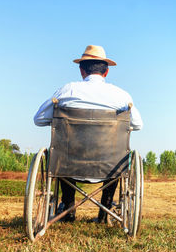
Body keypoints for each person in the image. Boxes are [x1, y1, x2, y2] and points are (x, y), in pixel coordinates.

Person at [34, 45, 143, 223]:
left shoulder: (67, 91)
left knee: (63, 150)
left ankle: (68, 208)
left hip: (69, 166)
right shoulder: (121, 96)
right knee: (117, 153)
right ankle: (106, 211)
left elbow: (38, 119)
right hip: (109, 167)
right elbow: (138, 125)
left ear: (81, 70)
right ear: (106, 72)